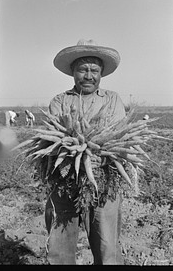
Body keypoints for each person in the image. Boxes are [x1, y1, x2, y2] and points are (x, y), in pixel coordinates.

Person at [45, 39, 126, 265]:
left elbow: (119, 137)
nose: (88, 76)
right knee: (59, 246)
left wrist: (101, 154)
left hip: (104, 181)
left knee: (107, 246)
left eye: (94, 70)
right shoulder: (60, 101)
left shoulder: (113, 99)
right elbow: (55, 138)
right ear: (73, 72)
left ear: (101, 74)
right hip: (63, 180)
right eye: (82, 69)